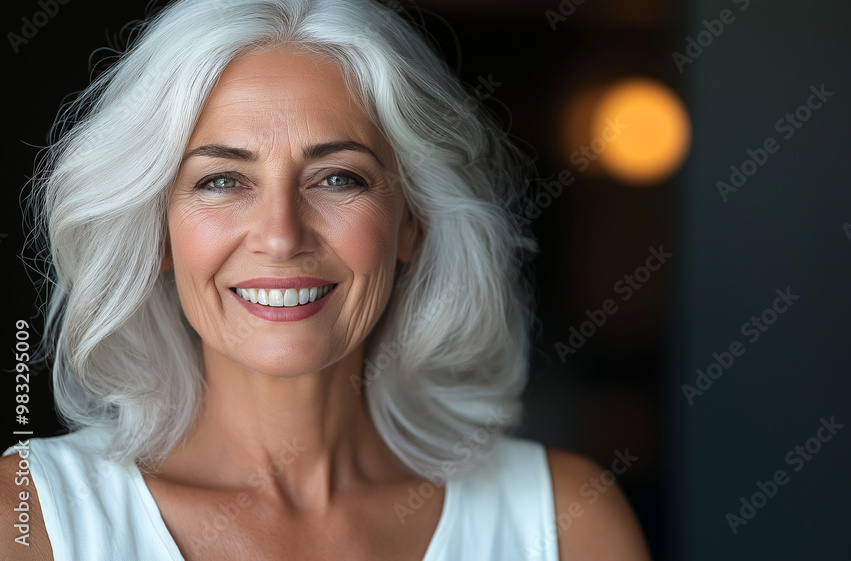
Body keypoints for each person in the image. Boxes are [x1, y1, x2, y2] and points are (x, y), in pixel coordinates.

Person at [1, 0, 652, 559]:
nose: (281, 235)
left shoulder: (568, 524)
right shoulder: (28, 520)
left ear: (412, 220)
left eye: (338, 177)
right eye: (222, 180)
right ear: (158, 230)